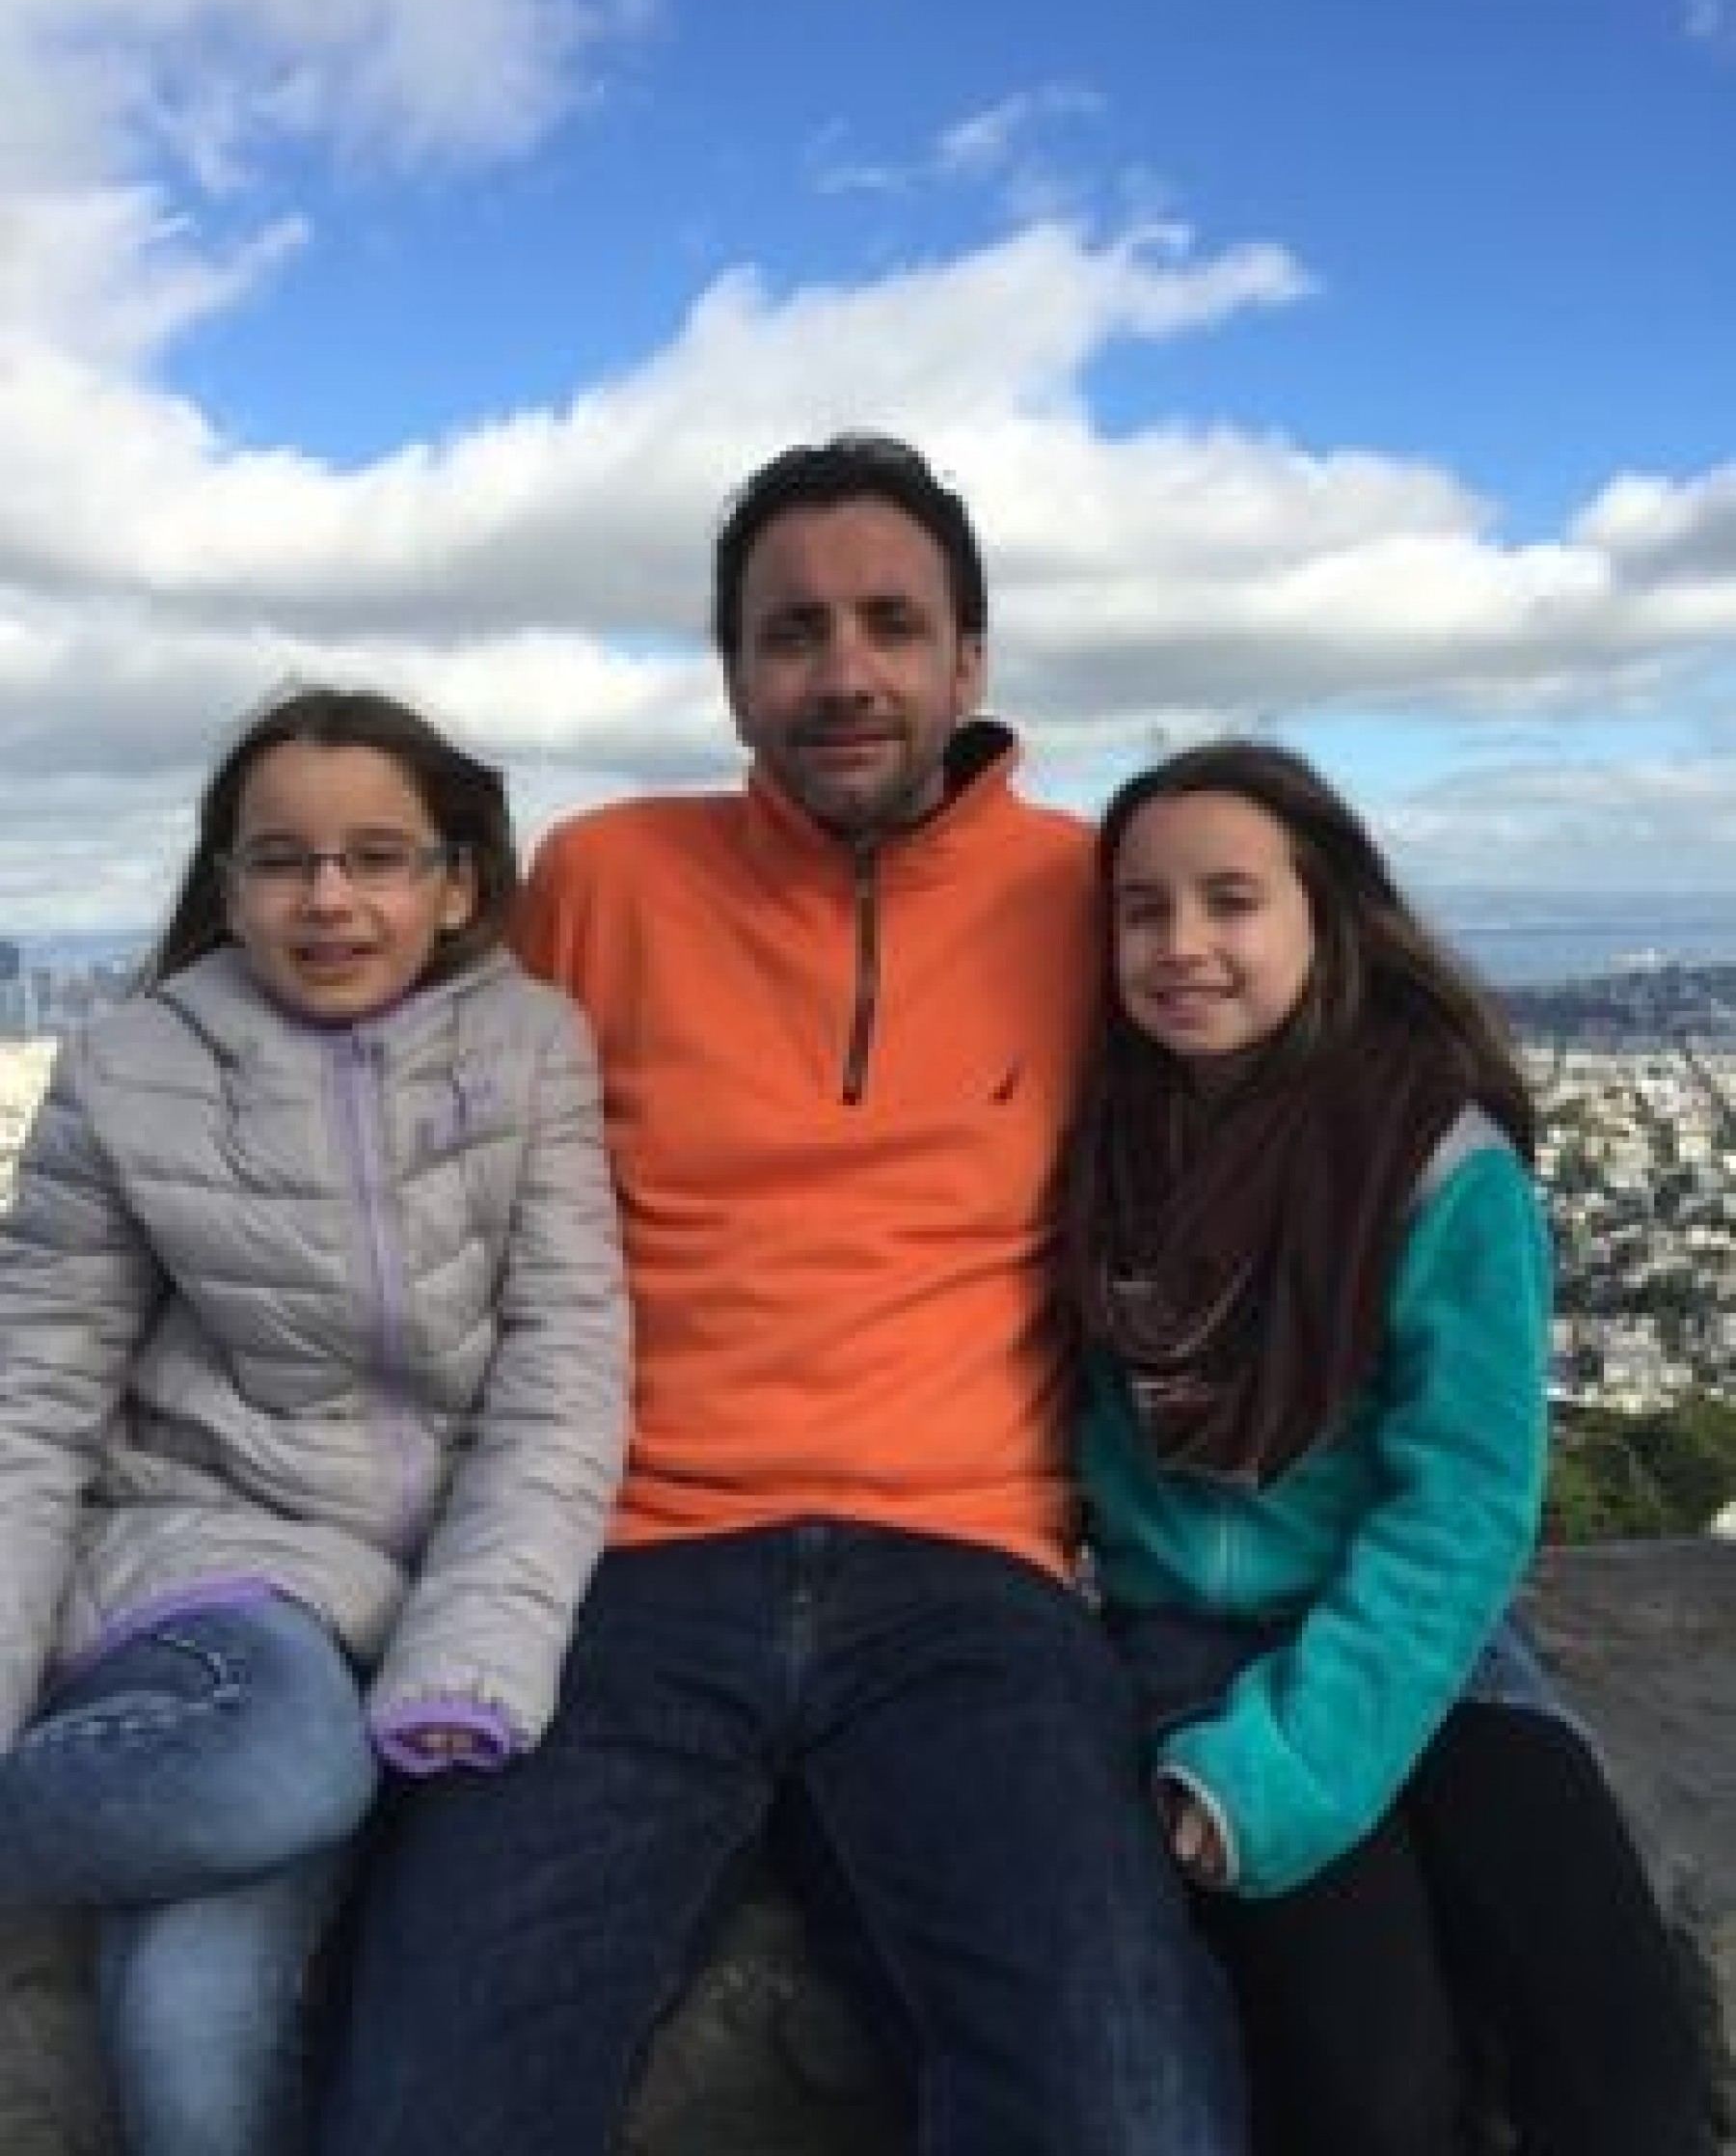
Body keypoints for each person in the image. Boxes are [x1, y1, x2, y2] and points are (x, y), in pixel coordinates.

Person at [318, 435, 1245, 2154]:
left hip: (972, 1575)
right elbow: (391, 1131)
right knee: (425, 2102)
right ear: (733, 672)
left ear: (971, 659)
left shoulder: (1089, 895)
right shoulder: (605, 879)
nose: (845, 672)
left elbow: (1304, 1087)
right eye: (792, 631)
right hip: (620, 1568)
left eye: (893, 624)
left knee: (1127, 2105)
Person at [0, 686, 629, 2156]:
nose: (328, 899)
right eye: (281, 861)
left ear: (455, 881)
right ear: (227, 888)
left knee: (187, 2011)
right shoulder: (131, 1068)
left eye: (377, 857)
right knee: (288, 1764)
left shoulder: (532, 1048)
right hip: (208, 1569)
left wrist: (469, 1653)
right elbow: (32, 1402)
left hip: (438, 1592)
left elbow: (564, 1372)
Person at [1071, 737, 1719, 2156]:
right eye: (1141, 910)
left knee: (1619, 2062)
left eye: (1232, 901)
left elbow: (1464, 1504)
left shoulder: (1435, 1162)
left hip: (1431, 1641)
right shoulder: (1100, 1153)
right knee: (1370, 2085)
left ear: (1328, 916)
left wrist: (1290, 1766)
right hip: (1187, 1643)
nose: (1182, 945)